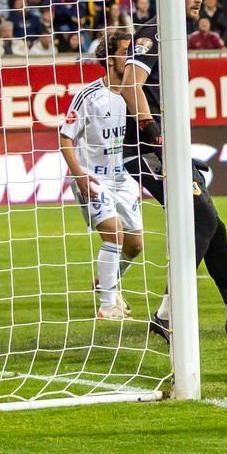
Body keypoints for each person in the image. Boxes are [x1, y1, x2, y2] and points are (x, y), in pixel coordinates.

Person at [128, 37, 227, 342]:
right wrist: (151, 128)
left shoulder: (175, 35)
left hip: (168, 147)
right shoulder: (154, 33)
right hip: (147, 149)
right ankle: (165, 316)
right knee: (202, 220)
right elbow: (131, 84)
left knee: (214, 228)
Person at [60, 28, 149, 322]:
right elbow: (65, 138)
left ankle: (105, 281)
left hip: (120, 177)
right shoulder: (89, 95)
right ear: (110, 58)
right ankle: (107, 304)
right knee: (113, 233)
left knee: (135, 245)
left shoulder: (132, 94)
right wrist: (79, 175)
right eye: (126, 52)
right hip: (92, 177)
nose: (132, 58)